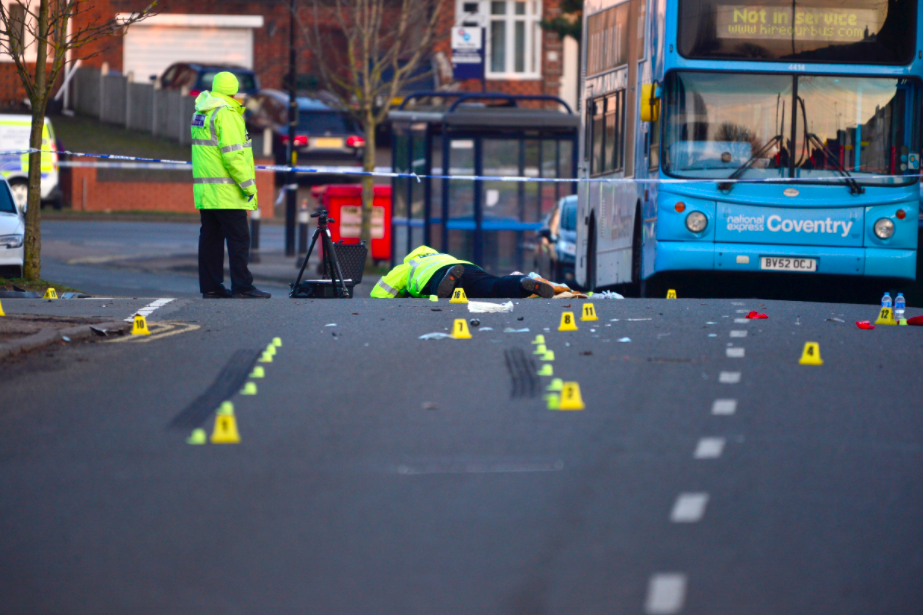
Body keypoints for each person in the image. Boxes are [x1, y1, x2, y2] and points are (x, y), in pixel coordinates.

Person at [191, 71, 270, 299]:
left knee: (210, 239)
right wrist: (248, 186)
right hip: (227, 190)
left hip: (207, 189)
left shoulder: (202, 110)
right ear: (234, 91)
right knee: (239, 239)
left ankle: (211, 286)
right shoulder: (227, 113)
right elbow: (234, 155)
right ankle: (243, 286)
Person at [371, 246, 555, 299]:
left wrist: (403, 293)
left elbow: (379, 293)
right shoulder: (443, 255)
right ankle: (522, 283)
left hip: (439, 273)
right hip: (468, 267)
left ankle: (448, 283)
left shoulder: (407, 266)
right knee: (494, 287)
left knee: (437, 284)